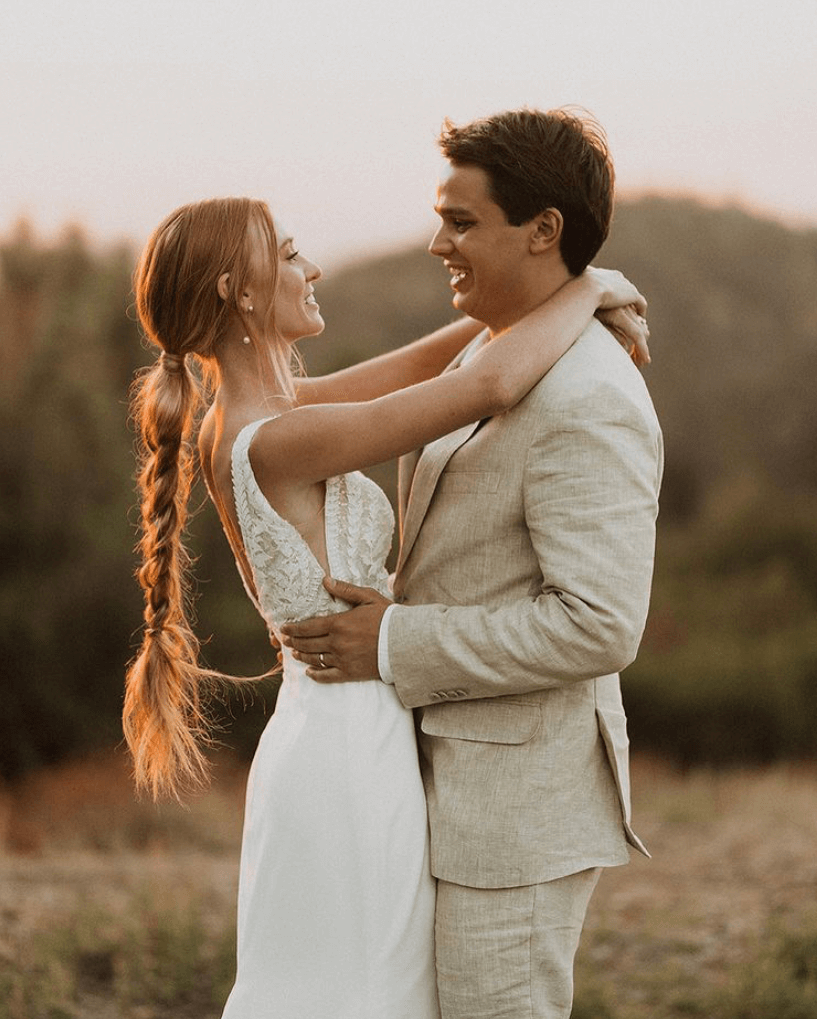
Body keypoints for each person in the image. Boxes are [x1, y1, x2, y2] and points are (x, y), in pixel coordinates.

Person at [123, 191, 648, 1019]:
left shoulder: (269, 412)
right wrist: (588, 291)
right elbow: (488, 385)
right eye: (291, 254)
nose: (312, 267)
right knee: (360, 989)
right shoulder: (277, 438)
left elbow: (443, 360)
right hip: (344, 750)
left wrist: (542, 297)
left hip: (346, 728)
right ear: (241, 291)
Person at [281, 108, 664, 1019]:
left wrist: (395, 639)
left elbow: (599, 623)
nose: (435, 243)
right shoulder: (495, 350)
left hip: (514, 823)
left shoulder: (589, 396)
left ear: (542, 232)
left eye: (461, 221)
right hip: (428, 792)